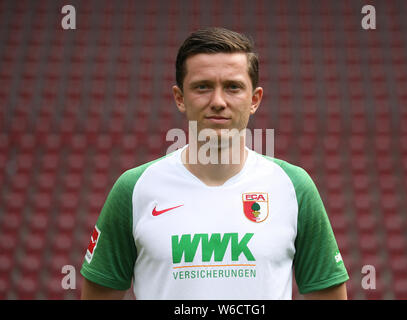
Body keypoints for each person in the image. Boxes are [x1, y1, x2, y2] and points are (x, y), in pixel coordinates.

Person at [80, 27, 349, 300]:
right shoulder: (134, 188)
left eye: (233, 87)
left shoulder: (294, 186)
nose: (218, 102)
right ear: (180, 98)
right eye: (202, 87)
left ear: (254, 100)